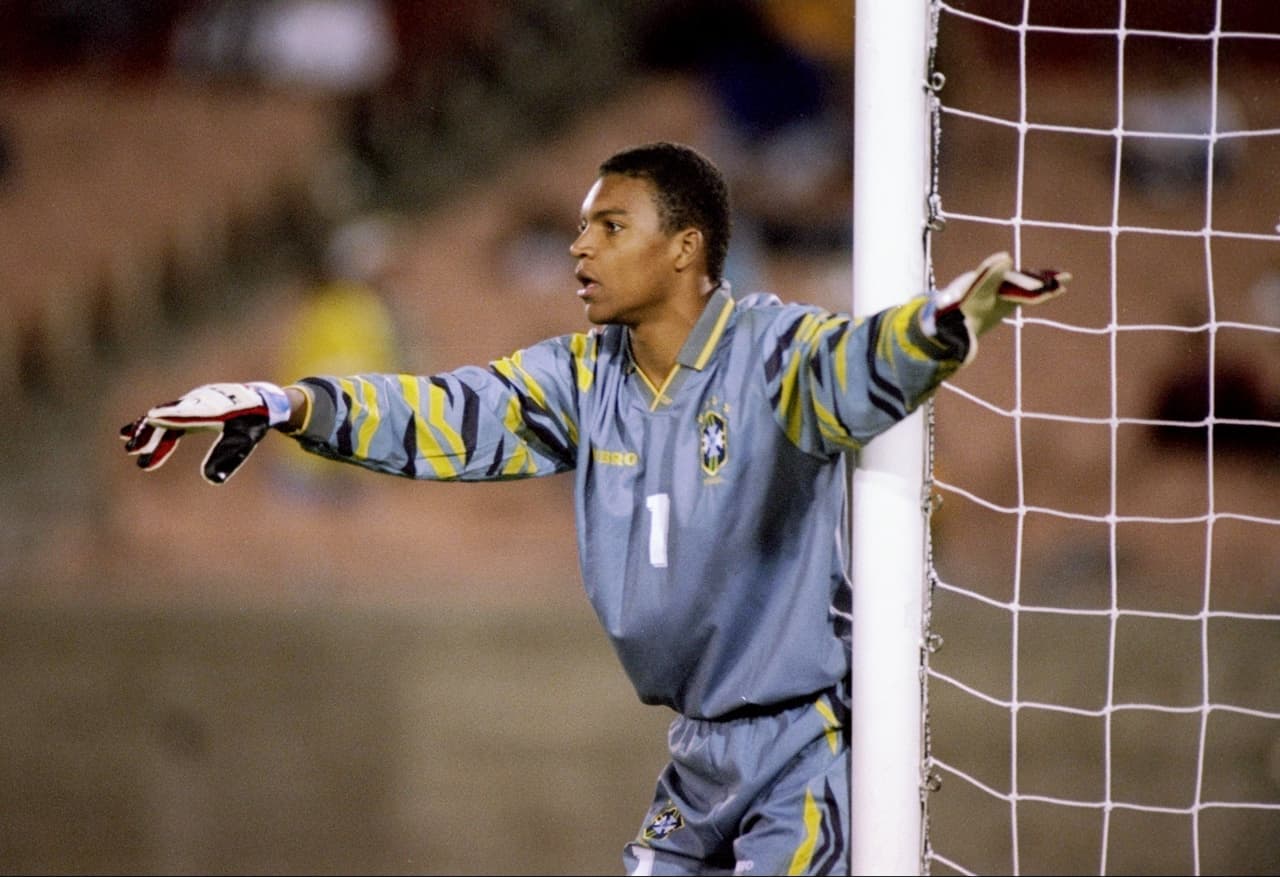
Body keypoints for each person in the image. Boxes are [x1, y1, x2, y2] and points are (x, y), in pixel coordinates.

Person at [120, 141, 1068, 875]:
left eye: (609, 226)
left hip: (801, 744)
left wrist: (947, 326)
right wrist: (292, 404)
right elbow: (447, 412)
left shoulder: (770, 355)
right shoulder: (583, 378)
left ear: (686, 246)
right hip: (698, 752)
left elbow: (857, 368)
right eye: (580, 227)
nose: (578, 247)